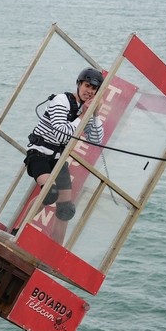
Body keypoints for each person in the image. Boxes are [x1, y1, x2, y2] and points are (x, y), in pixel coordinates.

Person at [23, 66, 105, 244]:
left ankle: (54, 250)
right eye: (87, 86)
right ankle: (18, 231)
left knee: (66, 209)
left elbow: (96, 139)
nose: (89, 91)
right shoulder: (61, 100)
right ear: (78, 84)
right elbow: (61, 133)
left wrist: (95, 114)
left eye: (94, 89)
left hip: (58, 160)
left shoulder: (87, 110)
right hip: (39, 154)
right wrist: (83, 116)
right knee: (50, 193)